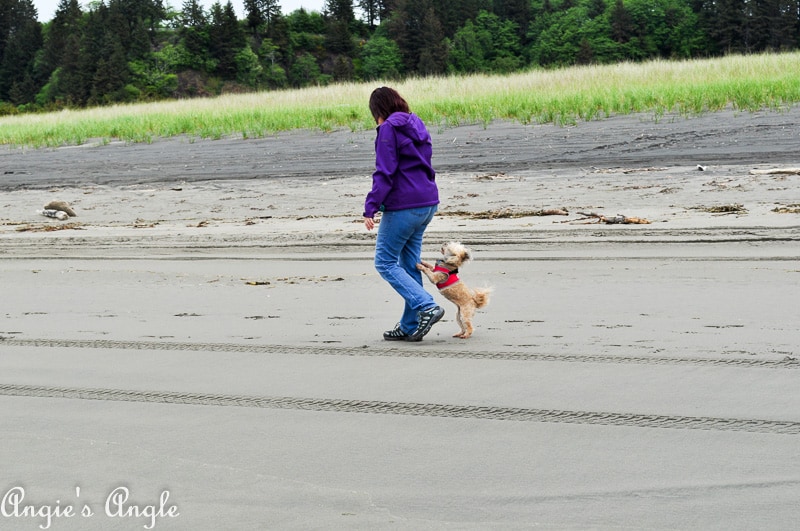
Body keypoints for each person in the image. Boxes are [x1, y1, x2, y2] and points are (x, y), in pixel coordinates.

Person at [363, 87, 444, 342]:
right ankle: (410, 325)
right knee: (409, 265)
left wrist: (371, 205)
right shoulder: (416, 122)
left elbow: (384, 172)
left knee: (384, 262)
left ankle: (426, 306)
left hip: (405, 206)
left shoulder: (388, 129)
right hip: (427, 202)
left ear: (378, 109)